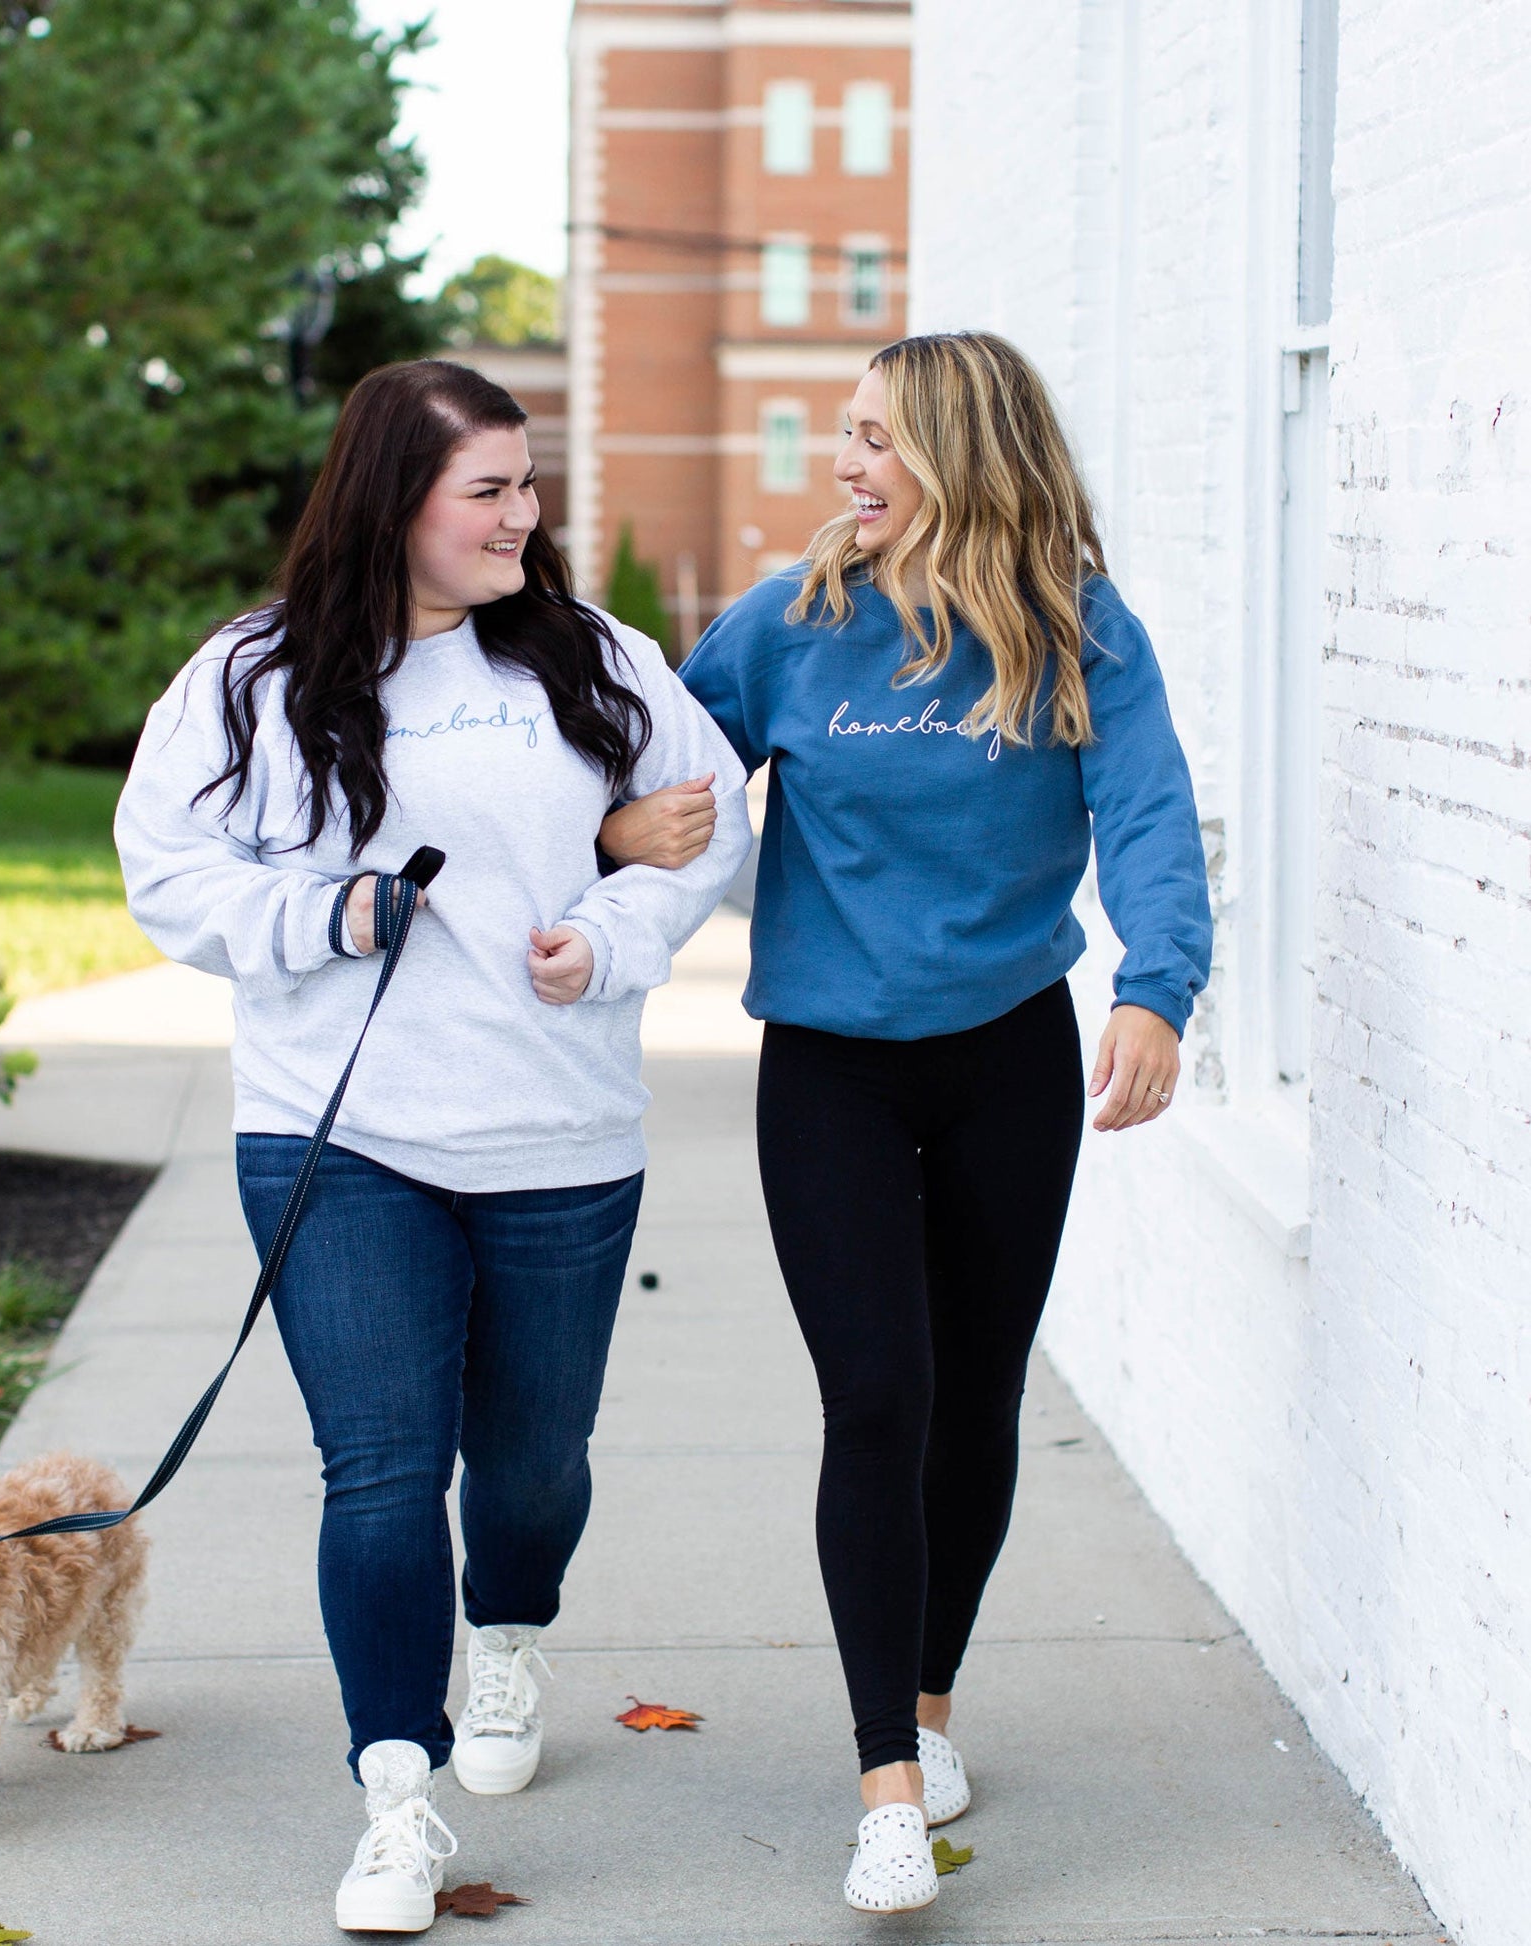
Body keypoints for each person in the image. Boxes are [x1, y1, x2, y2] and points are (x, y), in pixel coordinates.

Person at [114, 359, 749, 1935]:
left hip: (558, 1128)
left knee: (529, 1465)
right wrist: (319, 910)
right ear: (394, 499)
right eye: (489, 490)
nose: (524, 517)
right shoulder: (253, 677)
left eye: (529, 486)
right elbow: (164, 868)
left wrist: (604, 932)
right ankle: (398, 1797)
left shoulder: (589, 658)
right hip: (344, 1137)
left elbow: (710, 815)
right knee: (382, 1468)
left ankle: (510, 1633)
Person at [607, 330, 1213, 1914]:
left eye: (874, 437)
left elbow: (1145, 807)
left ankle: (932, 1704)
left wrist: (1158, 986)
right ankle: (886, 1780)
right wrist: (620, 827)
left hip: (1010, 1051)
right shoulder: (790, 625)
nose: (844, 464)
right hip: (829, 1068)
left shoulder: (1076, 626)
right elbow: (651, 769)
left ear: (959, 451)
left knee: (975, 1394)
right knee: (876, 1393)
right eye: (845, 436)